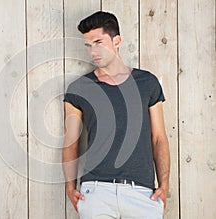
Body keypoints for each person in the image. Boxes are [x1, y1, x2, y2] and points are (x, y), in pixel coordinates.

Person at [62, 11, 170, 219]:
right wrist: (70, 186)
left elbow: (158, 139)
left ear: (117, 40)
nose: (93, 51)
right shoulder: (79, 88)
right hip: (96, 193)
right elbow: (70, 142)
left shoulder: (147, 83)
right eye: (88, 45)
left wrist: (164, 184)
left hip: (142, 193)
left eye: (98, 42)